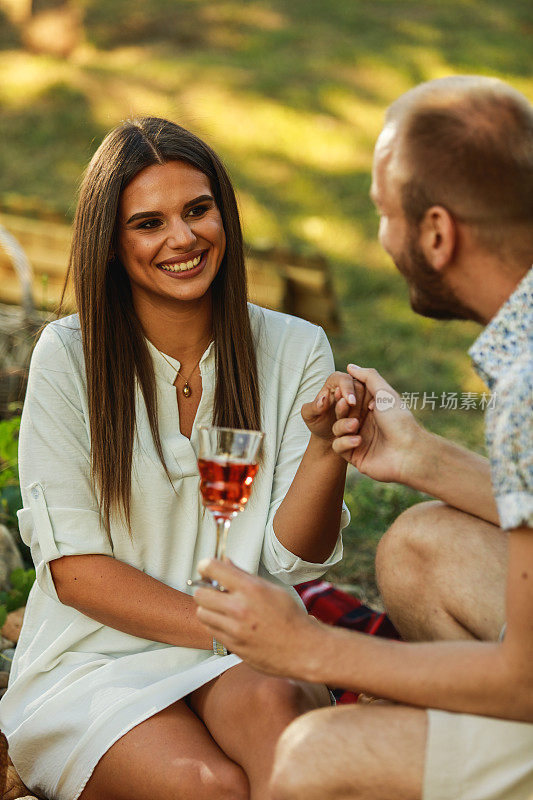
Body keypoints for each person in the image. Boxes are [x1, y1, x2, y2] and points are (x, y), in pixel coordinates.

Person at [0, 117, 363, 800]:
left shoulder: (293, 347)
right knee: (208, 786)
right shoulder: (68, 357)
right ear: (109, 241)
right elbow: (77, 574)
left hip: (246, 654)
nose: (183, 238)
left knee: (284, 731)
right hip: (94, 659)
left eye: (198, 210)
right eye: (148, 222)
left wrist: (323, 448)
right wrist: (241, 628)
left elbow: (295, 557)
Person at [194, 76, 533, 800]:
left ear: (436, 233)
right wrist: (419, 457)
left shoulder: (526, 384)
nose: (380, 236)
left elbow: (525, 681)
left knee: (319, 753)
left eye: (382, 214)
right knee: (417, 545)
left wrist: (312, 648)